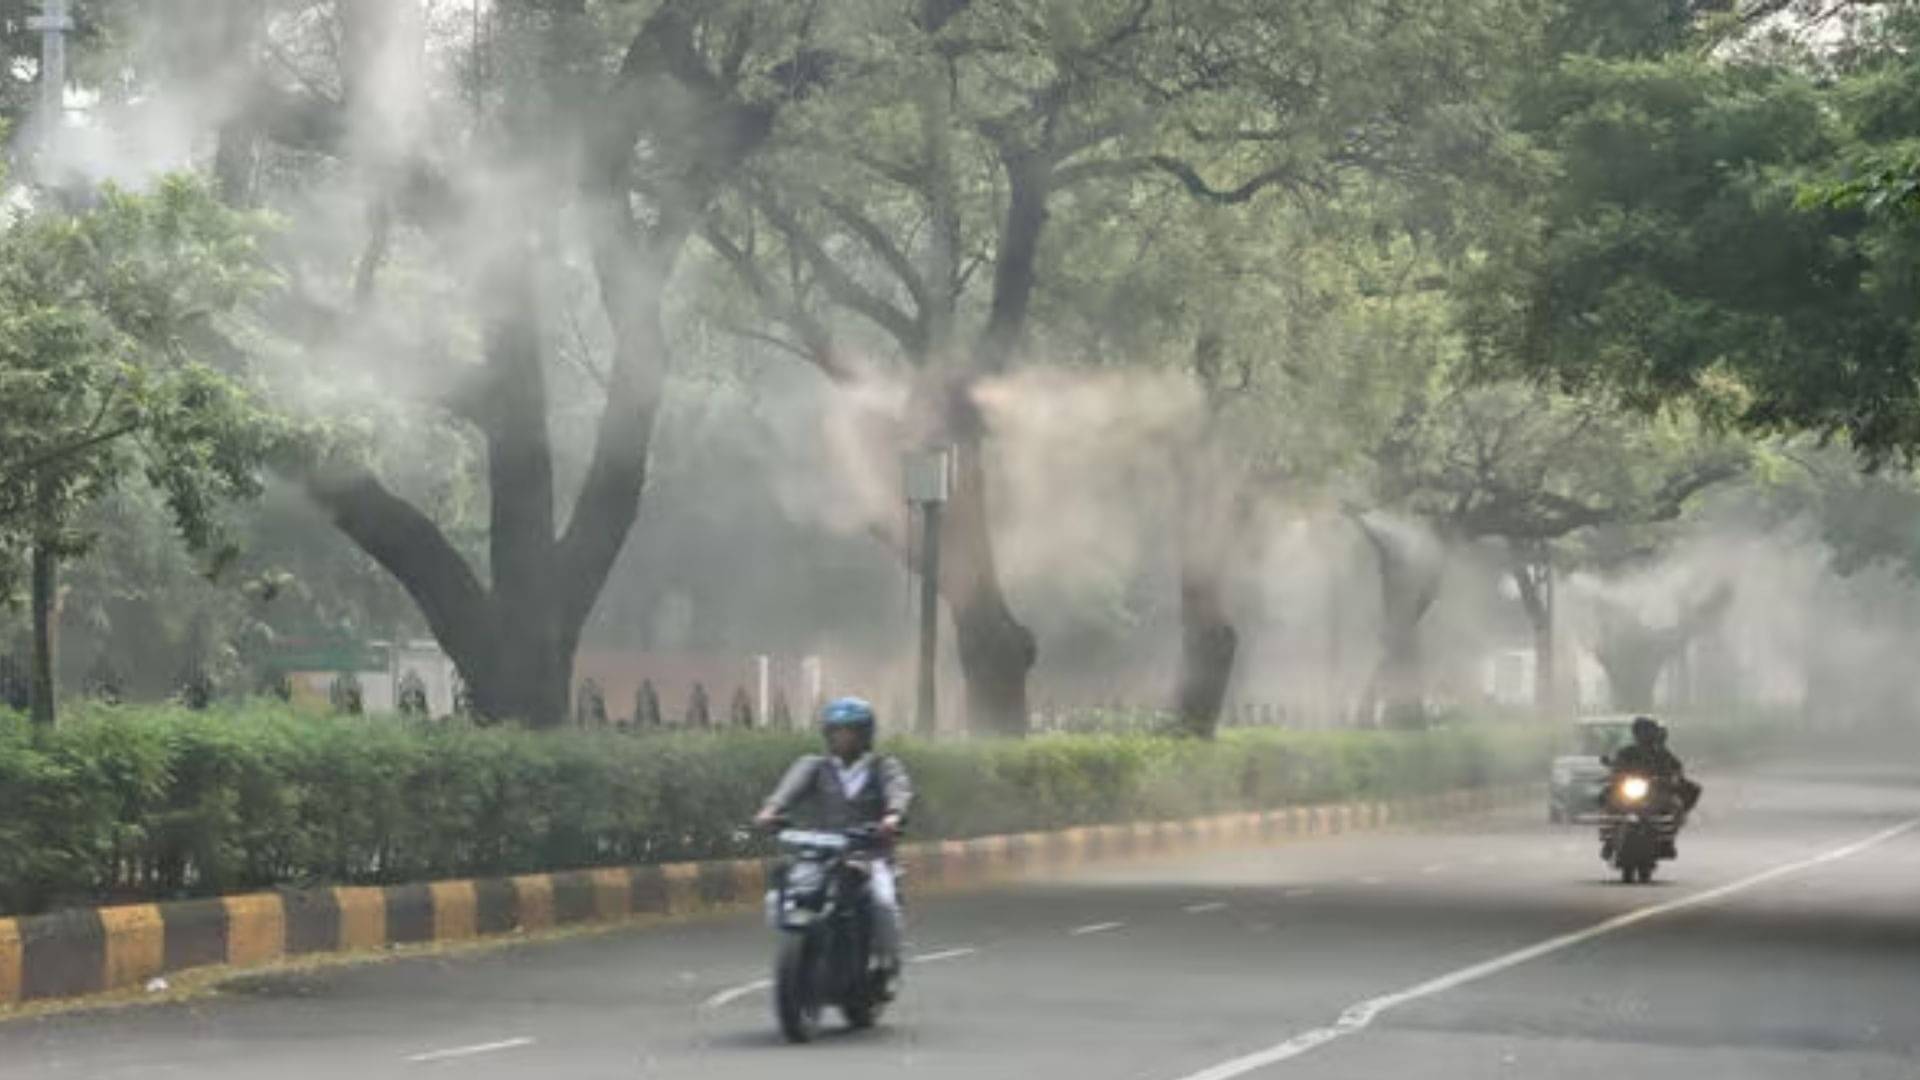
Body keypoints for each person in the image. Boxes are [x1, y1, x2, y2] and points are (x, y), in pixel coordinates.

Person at [755, 696, 912, 994]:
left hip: (870, 853)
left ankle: (887, 964)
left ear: (865, 735)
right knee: (782, 895)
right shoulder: (813, 766)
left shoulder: (883, 767)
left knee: (883, 902)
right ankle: (809, 952)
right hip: (823, 852)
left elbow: (899, 791)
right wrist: (771, 811)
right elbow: (787, 791)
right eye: (837, 731)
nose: (843, 738)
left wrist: (893, 816)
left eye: (850, 731)